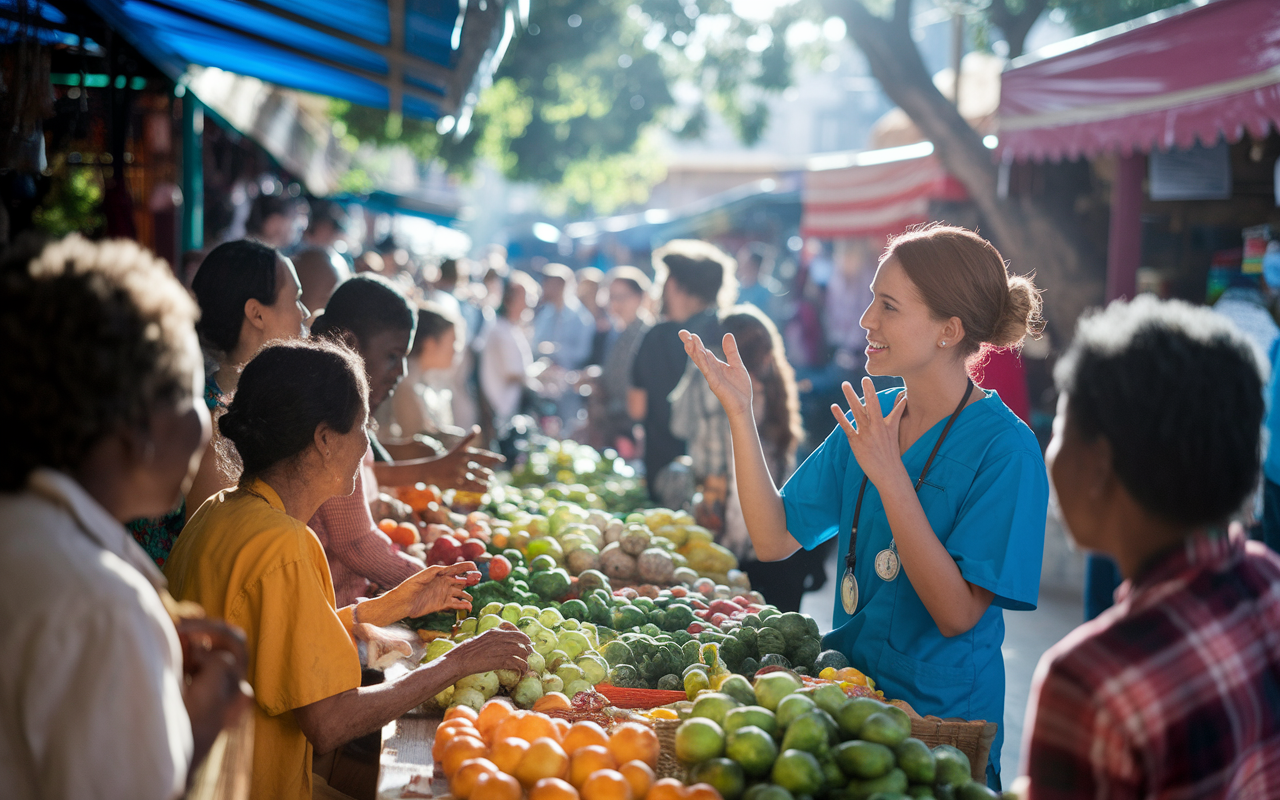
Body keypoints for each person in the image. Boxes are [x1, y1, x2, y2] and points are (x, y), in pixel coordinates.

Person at [681, 224, 1046, 788]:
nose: (865, 320)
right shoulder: (871, 415)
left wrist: (889, 476)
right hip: (848, 703)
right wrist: (740, 414)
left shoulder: (1007, 450)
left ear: (949, 330)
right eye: (872, 299)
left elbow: (956, 613)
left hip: (940, 730)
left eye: (889, 306)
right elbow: (774, 537)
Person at [165, 339, 532, 800]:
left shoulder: (218, 512)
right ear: (323, 439)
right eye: (362, 427)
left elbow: (276, 638)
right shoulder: (286, 545)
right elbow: (329, 722)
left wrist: (394, 604)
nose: (365, 446)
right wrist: (459, 663)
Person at [0, 235, 250, 799]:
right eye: (195, 397)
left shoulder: (25, 533)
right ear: (139, 426)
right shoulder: (104, 605)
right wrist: (200, 728)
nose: (210, 425)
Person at [1021, 295, 1280, 798]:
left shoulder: (1088, 682)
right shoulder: (1267, 579)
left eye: (1059, 427)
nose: (1051, 452)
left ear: (1099, 464)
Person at [308, 276, 501, 606]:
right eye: (393, 356)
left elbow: (363, 484)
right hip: (333, 609)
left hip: (355, 598)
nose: (399, 372)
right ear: (351, 344)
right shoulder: (333, 422)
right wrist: (435, 581)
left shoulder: (346, 413)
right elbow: (354, 543)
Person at [671, 305, 828, 612]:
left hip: (743, 547)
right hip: (779, 543)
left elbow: (678, 423)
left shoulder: (726, 390)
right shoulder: (774, 389)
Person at [183, 239, 310, 527]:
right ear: (257, 313)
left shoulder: (238, 401)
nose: (304, 313)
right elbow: (212, 545)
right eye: (296, 299)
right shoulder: (216, 421)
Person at [631, 240, 737, 497]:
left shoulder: (655, 337)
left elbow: (636, 407)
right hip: (724, 481)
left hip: (666, 476)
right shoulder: (731, 334)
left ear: (674, 284)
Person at [386, 302, 466, 444]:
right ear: (430, 344)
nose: (456, 351)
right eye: (454, 343)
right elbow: (416, 443)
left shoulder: (421, 380)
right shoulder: (405, 384)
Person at [481, 271, 540, 457]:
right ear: (509, 299)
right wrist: (542, 373)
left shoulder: (511, 328)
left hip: (507, 409)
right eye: (524, 297)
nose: (529, 303)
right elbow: (514, 372)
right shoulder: (502, 330)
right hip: (501, 410)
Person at [597, 267, 653, 455]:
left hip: (635, 429)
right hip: (615, 424)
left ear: (640, 297)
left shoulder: (646, 333)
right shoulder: (616, 332)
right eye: (612, 297)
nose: (615, 303)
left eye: (622, 297)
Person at [533, 263, 594, 432]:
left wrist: (555, 350)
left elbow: (583, 352)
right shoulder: (546, 314)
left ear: (560, 285)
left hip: (569, 392)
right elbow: (535, 344)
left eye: (548, 283)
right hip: (545, 388)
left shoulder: (580, 317)